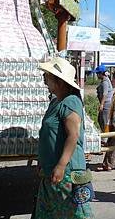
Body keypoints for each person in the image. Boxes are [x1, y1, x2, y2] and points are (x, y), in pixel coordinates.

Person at [36, 56, 94, 219]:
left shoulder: (71, 102)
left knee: (70, 213)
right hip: (51, 169)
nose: (44, 79)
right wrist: (42, 161)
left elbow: (72, 135)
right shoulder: (56, 102)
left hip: (66, 171)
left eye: (47, 76)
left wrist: (61, 165)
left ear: (59, 81)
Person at [93, 65, 113, 133]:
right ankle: (105, 134)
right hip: (105, 104)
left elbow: (105, 94)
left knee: (104, 122)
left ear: (101, 73)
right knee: (100, 119)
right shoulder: (104, 80)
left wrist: (102, 104)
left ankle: (106, 137)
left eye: (97, 73)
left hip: (106, 105)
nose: (97, 75)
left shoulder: (105, 82)